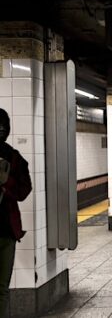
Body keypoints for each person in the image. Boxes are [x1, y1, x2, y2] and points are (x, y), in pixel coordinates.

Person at [0, 108, 32, 317]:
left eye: (4, 127)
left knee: (2, 287)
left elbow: (24, 190)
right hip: (7, 231)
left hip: (6, 232)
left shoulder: (14, 157)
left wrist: (6, 185)